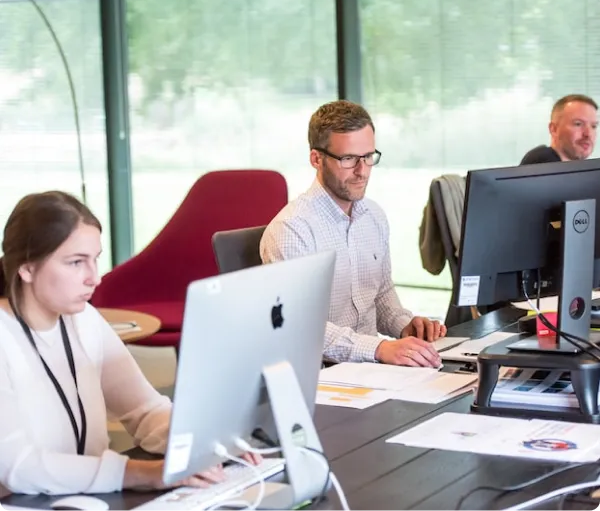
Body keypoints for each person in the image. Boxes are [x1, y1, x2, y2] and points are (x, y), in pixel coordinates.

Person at [0, 191, 259, 495]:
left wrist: (212, 443)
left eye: (94, 260)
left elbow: (145, 410)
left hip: (88, 498)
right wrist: (143, 473)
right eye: (75, 263)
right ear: (27, 268)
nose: (93, 278)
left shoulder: (85, 320)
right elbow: (18, 466)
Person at [260, 100, 445, 368]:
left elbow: (380, 294)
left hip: (372, 369)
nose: (362, 171)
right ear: (316, 159)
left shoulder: (374, 216)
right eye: (348, 159)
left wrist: (406, 326)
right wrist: (379, 348)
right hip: (323, 375)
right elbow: (299, 325)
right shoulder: (292, 230)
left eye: (368, 157)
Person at [520, 94, 598, 165]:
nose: (588, 134)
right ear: (554, 129)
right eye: (578, 124)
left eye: (593, 126)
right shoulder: (542, 162)